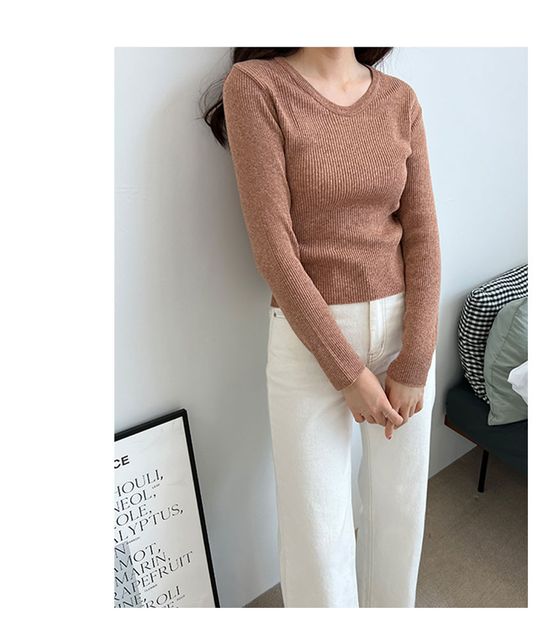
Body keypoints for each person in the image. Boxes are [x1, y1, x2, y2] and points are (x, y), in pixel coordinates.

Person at [202, 47, 441, 607]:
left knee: (400, 512)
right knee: (317, 531)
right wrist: (348, 373)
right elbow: (274, 252)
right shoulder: (257, 86)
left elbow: (424, 235)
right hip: (309, 341)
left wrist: (415, 360)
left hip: (403, 330)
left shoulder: (400, 99)